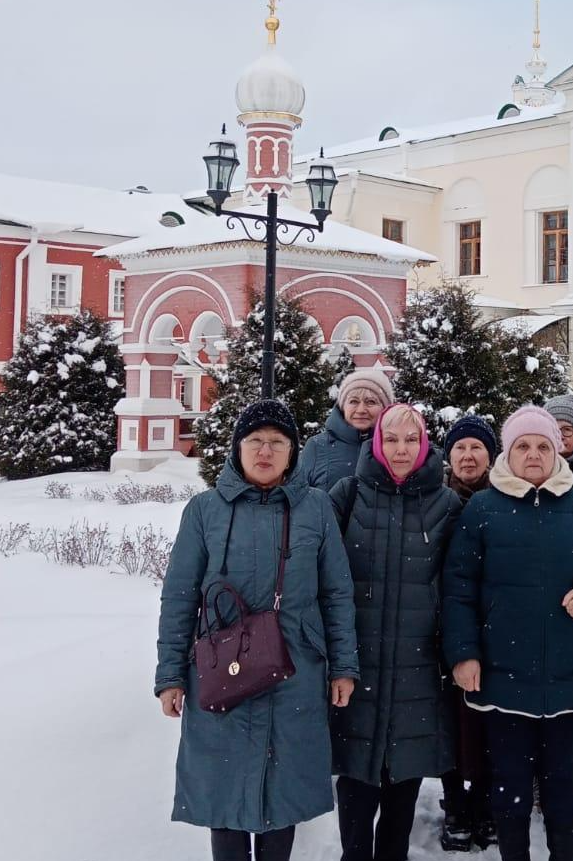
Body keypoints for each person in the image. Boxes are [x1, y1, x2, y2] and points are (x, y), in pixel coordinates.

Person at [155, 400, 359, 861]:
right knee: (223, 792)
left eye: (277, 442)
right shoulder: (205, 511)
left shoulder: (316, 509)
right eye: (255, 441)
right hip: (220, 668)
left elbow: (337, 595)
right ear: (237, 448)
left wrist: (343, 667)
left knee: (282, 791)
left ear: (292, 452)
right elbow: (180, 597)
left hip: (296, 670)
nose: (265, 451)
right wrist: (169, 675)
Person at [443, 405, 573, 861]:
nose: (533, 454)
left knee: (563, 789)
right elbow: (458, 588)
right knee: (510, 790)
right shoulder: (483, 508)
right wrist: (464, 654)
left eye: (543, 445)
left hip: (569, 680)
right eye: (523, 445)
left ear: (558, 450)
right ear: (507, 452)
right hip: (504, 679)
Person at [327, 403, 463, 861]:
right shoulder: (348, 494)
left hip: (418, 668)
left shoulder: (446, 504)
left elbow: (460, 585)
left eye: (410, 439)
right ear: (377, 443)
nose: (401, 449)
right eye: (391, 439)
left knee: (404, 777)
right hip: (357, 662)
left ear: (424, 442)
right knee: (355, 776)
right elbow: (320, 570)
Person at [437, 414, 500, 852]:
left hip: (494, 625)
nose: (468, 455)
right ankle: (456, 803)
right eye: (460, 447)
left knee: (488, 721)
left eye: (476, 447)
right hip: (442, 622)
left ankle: (488, 803)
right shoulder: (436, 500)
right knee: (449, 722)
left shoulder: (503, 499)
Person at [298, 368, 394, 489]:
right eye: (353, 401)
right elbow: (298, 497)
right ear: (343, 406)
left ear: (385, 408)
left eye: (371, 402)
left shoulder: (397, 447)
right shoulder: (316, 447)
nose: (361, 410)